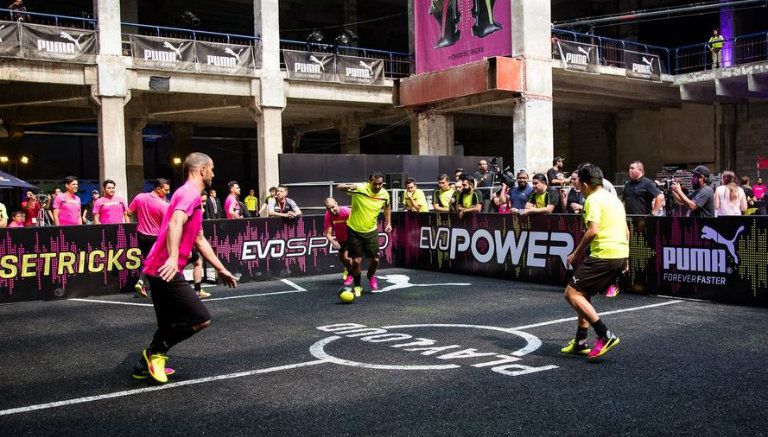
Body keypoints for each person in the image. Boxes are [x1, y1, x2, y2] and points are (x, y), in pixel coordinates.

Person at [133, 152, 238, 384]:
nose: (213, 174)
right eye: (211, 169)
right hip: (165, 268)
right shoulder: (190, 193)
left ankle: (143, 366)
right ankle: (155, 354)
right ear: (202, 170)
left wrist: (221, 269)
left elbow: (199, 239)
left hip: (159, 268)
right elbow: (175, 221)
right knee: (200, 319)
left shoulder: (187, 194)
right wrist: (172, 257)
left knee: (167, 325)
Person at [561, 164, 628, 361]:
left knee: (571, 293)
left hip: (603, 254)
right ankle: (580, 342)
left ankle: (604, 334)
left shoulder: (592, 200)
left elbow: (592, 231)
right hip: (618, 253)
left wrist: (574, 254)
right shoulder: (615, 200)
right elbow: (626, 230)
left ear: (583, 184)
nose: (578, 188)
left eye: (578, 184)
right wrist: (625, 259)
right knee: (583, 293)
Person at [337, 173, 392, 296]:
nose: (378, 186)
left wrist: (389, 223)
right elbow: (339, 187)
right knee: (356, 261)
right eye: (375, 183)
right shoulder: (360, 188)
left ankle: (370, 276)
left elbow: (387, 208)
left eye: (380, 184)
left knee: (376, 260)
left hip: (371, 231)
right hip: (354, 230)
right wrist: (347, 187)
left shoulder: (385, 194)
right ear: (369, 182)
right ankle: (357, 286)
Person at [127, 178, 171, 298]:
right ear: (158, 189)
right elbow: (168, 224)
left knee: (148, 261)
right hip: (156, 237)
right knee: (155, 262)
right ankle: (142, 282)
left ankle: (146, 285)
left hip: (141, 236)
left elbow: (128, 213)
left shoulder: (139, 197)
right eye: (166, 190)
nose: (167, 192)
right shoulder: (164, 205)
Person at [324, 197, 353, 287]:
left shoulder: (347, 211)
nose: (332, 210)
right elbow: (328, 233)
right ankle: (348, 268)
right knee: (342, 259)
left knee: (347, 258)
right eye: (329, 209)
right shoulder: (328, 215)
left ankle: (350, 274)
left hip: (352, 237)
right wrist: (333, 241)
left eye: (333, 207)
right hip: (340, 239)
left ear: (336, 203)